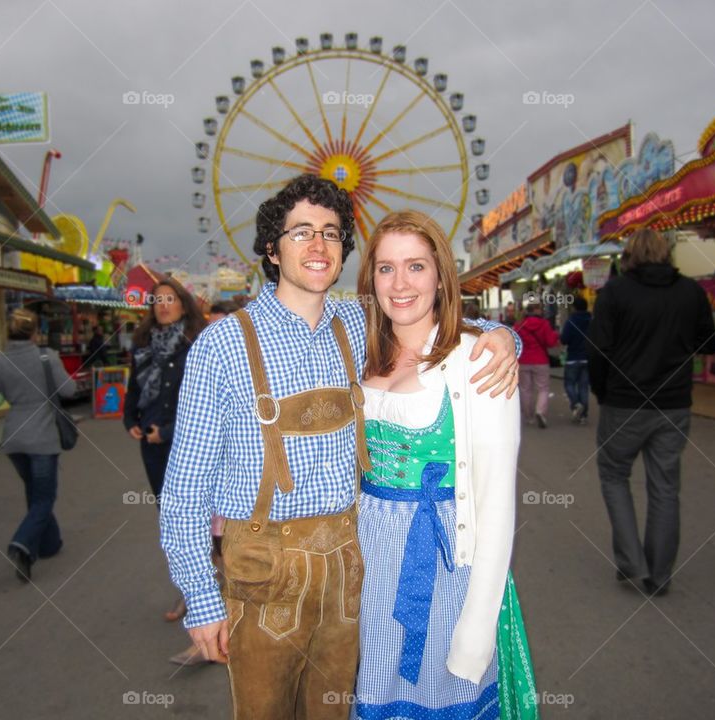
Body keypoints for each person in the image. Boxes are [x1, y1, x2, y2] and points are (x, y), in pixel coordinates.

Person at [159, 174, 521, 719]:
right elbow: (185, 489)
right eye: (301, 231)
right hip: (263, 573)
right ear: (272, 249)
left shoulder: (357, 325)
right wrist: (201, 600)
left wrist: (502, 337)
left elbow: (429, 317)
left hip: (351, 569)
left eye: (330, 232)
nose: (318, 244)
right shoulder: (221, 346)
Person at [354, 211, 537, 719]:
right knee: (372, 694)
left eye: (416, 266)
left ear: (440, 275)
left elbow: (496, 505)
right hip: (366, 560)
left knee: (440, 700)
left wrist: (477, 631)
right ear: (371, 278)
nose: (400, 283)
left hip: (442, 563)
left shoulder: (478, 359)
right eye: (386, 268)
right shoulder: (359, 351)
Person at [588, 228, 715, 596]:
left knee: (614, 476)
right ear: (667, 253)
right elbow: (710, 342)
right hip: (674, 404)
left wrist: (602, 391)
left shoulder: (615, 293)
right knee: (665, 487)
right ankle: (659, 574)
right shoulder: (690, 291)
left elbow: (598, 350)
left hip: (624, 403)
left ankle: (632, 562)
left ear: (629, 255)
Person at [0, 308, 75, 582]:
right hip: (43, 439)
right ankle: (22, 545)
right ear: (35, 332)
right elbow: (68, 390)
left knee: (34, 492)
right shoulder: (47, 357)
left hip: (14, 440)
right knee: (44, 497)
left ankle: (50, 544)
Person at [123, 277, 206, 630]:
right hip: (152, 444)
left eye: (170, 298)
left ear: (184, 304)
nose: (163, 305)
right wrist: (131, 419)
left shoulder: (197, 343)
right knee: (172, 520)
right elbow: (134, 386)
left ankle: (207, 590)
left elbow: (204, 402)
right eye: (158, 300)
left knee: (199, 517)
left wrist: (168, 431)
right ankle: (190, 589)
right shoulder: (143, 344)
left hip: (190, 442)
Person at [514, 302, 559, 428]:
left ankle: (528, 417)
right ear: (537, 310)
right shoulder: (544, 324)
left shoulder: (519, 325)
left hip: (523, 361)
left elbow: (514, 341)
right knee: (543, 388)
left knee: (525, 389)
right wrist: (555, 335)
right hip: (541, 360)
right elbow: (550, 342)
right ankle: (540, 411)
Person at [560, 295, 592, 425]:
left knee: (569, 384)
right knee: (584, 387)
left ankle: (576, 404)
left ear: (574, 307)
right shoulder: (592, 320)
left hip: (573, 357)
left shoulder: (571, 321)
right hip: (587, 357)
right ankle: (583, 416)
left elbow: (564, 339)